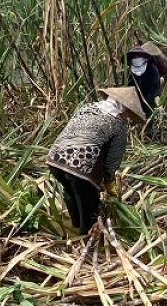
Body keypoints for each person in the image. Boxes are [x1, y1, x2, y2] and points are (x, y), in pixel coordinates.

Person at [46, 87, 146, 235]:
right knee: (89, 204)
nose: (128, 117)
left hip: (55, 159)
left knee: (71, 190)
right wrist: (109, 183)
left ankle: (74, 226)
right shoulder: (118, 124)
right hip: (80, 166)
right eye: (128, 113)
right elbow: (112, 160)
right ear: (123, 108)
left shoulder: (87, 108)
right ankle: (85, 238)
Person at [126, 41, 167, 117]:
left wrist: (159, 106)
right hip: (136, 100)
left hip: (149, 99)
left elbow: (156, 89)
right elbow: (128, 86)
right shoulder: (131, 70)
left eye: (139, 56)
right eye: (134, 56)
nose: (137, 58)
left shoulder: (154, 66)